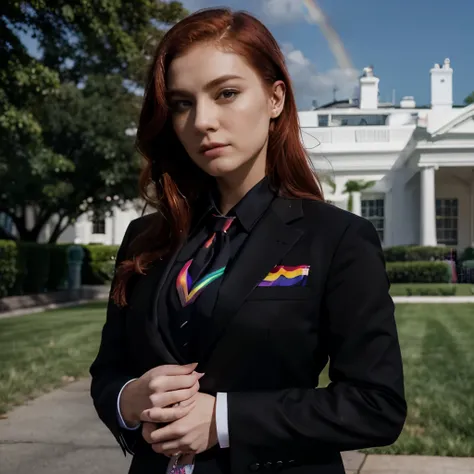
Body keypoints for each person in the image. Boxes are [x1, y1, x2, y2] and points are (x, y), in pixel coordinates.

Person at [89, 7, 407, 474]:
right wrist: (128, 399)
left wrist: (223, 419)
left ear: (275, 98)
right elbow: (107, 372)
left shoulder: (336, 238)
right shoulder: (145, 238)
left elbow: (375, 404)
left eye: (227, 93)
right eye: (182, 103)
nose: (203, 121)